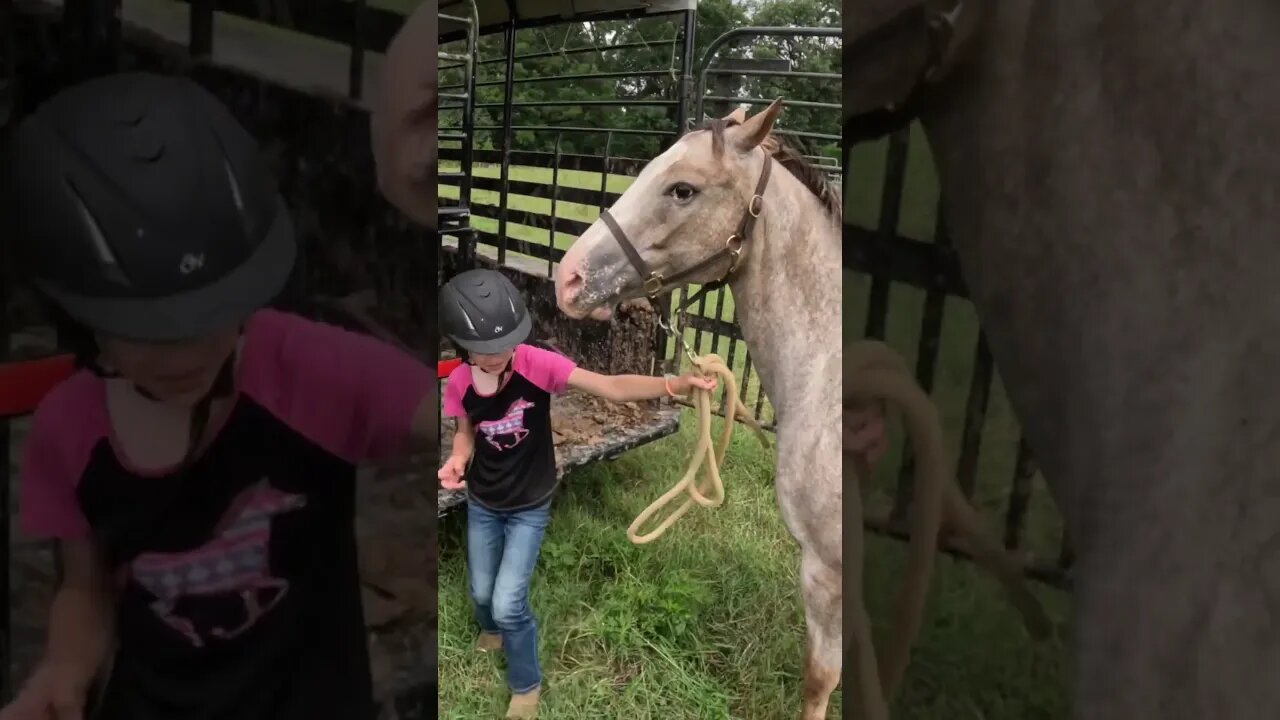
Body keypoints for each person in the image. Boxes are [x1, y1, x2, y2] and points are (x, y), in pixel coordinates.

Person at [0, 72, 435, 720]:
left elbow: (449, 412)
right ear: (73, 317)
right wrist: (65, 667)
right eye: (143, 328)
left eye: (212, 314)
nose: (183, 355)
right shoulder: (69, 429)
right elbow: (85, 585)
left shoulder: (307, 366)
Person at [437, 268, 716, 719]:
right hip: (484, 501)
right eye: (483, 351)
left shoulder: (536, 363)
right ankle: (490, 630)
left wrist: (672, 385)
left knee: (510, 601)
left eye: (505, 344)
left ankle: (525, 684)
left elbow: (609, 387)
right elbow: (466, 433)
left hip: (529, 502)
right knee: (481, 589)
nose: (496, 356)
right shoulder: (459, 384)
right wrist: (457, 459)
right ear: (460, 347)